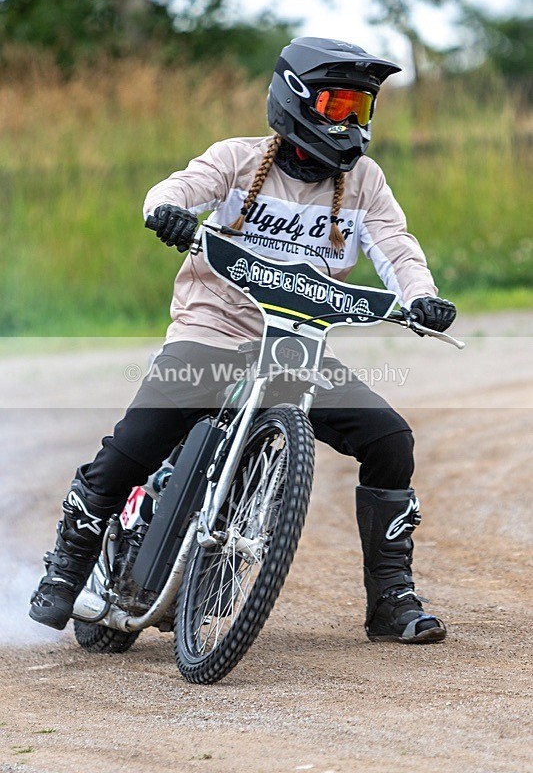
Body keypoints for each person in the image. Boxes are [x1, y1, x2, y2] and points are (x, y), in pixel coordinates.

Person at [30, 37, 456, 644]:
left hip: (291, 349)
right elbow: (173, 189)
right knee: (133, 446)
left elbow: (397, 249)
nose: (351, 123)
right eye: (338, 107)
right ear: (297, 100)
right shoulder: (236, 159)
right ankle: (67, 567)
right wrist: (167, 212)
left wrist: (420, 298)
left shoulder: (363, 182)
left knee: (391, 440)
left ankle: (391, 600)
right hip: (211, 333)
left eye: (361, 110)